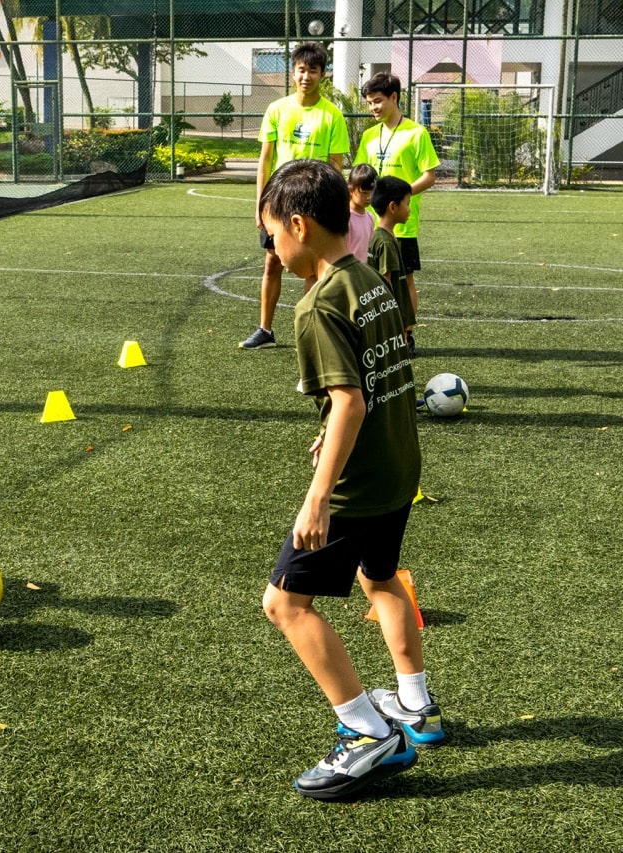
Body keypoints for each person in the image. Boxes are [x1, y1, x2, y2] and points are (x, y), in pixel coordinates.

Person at [257, 158, 443, 801]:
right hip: (399, 466)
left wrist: (316, 499)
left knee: (284, 603)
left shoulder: (316, 307)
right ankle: (416, 707)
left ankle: (367, 732)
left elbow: (352, 402)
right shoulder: (368, 278)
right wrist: (331, 422)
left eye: (272, 236)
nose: (273, 250)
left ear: (300, 226)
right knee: (381, 576)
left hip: (356, 487)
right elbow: (376, 383)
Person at [240, 42, 350, 350]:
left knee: (314, 268)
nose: (306, 76)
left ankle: (308, 328)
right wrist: (260, 204)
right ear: (292, 73)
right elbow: (265, 160)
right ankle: (265, 330)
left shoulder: (332, 116)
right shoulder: (277, 109)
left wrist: (337, 206)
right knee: (272, 263)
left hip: (314, 203)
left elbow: (335, 165)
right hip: (278, 202)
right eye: (301, 70)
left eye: (312, 71)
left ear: (323, 75)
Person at [353, 72, 439, 354]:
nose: (373, 108)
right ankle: (378, 333)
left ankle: (407, 334)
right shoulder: (368, 136)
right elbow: (359, 176)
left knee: (405, 280)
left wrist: (401, 197)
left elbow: (430, 175)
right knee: (371, 278)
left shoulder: (416, 133)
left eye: (377, 101)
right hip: (370, 224)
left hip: (403, 224)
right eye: (369, 103)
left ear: (394, 97)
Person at [369, 175, 417, 345]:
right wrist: (395, 322)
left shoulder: (384, 237)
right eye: (407, 204)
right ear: (393, 207)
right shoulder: (385, 243)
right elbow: (385, 284)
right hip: (391, 323)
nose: (410, 209)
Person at [346, 163, 377, 261]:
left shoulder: (370, 218)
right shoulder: (344, 217)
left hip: (361, 272)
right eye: (364, 193)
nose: (369, 197)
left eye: (372, 192)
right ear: (351, 190)